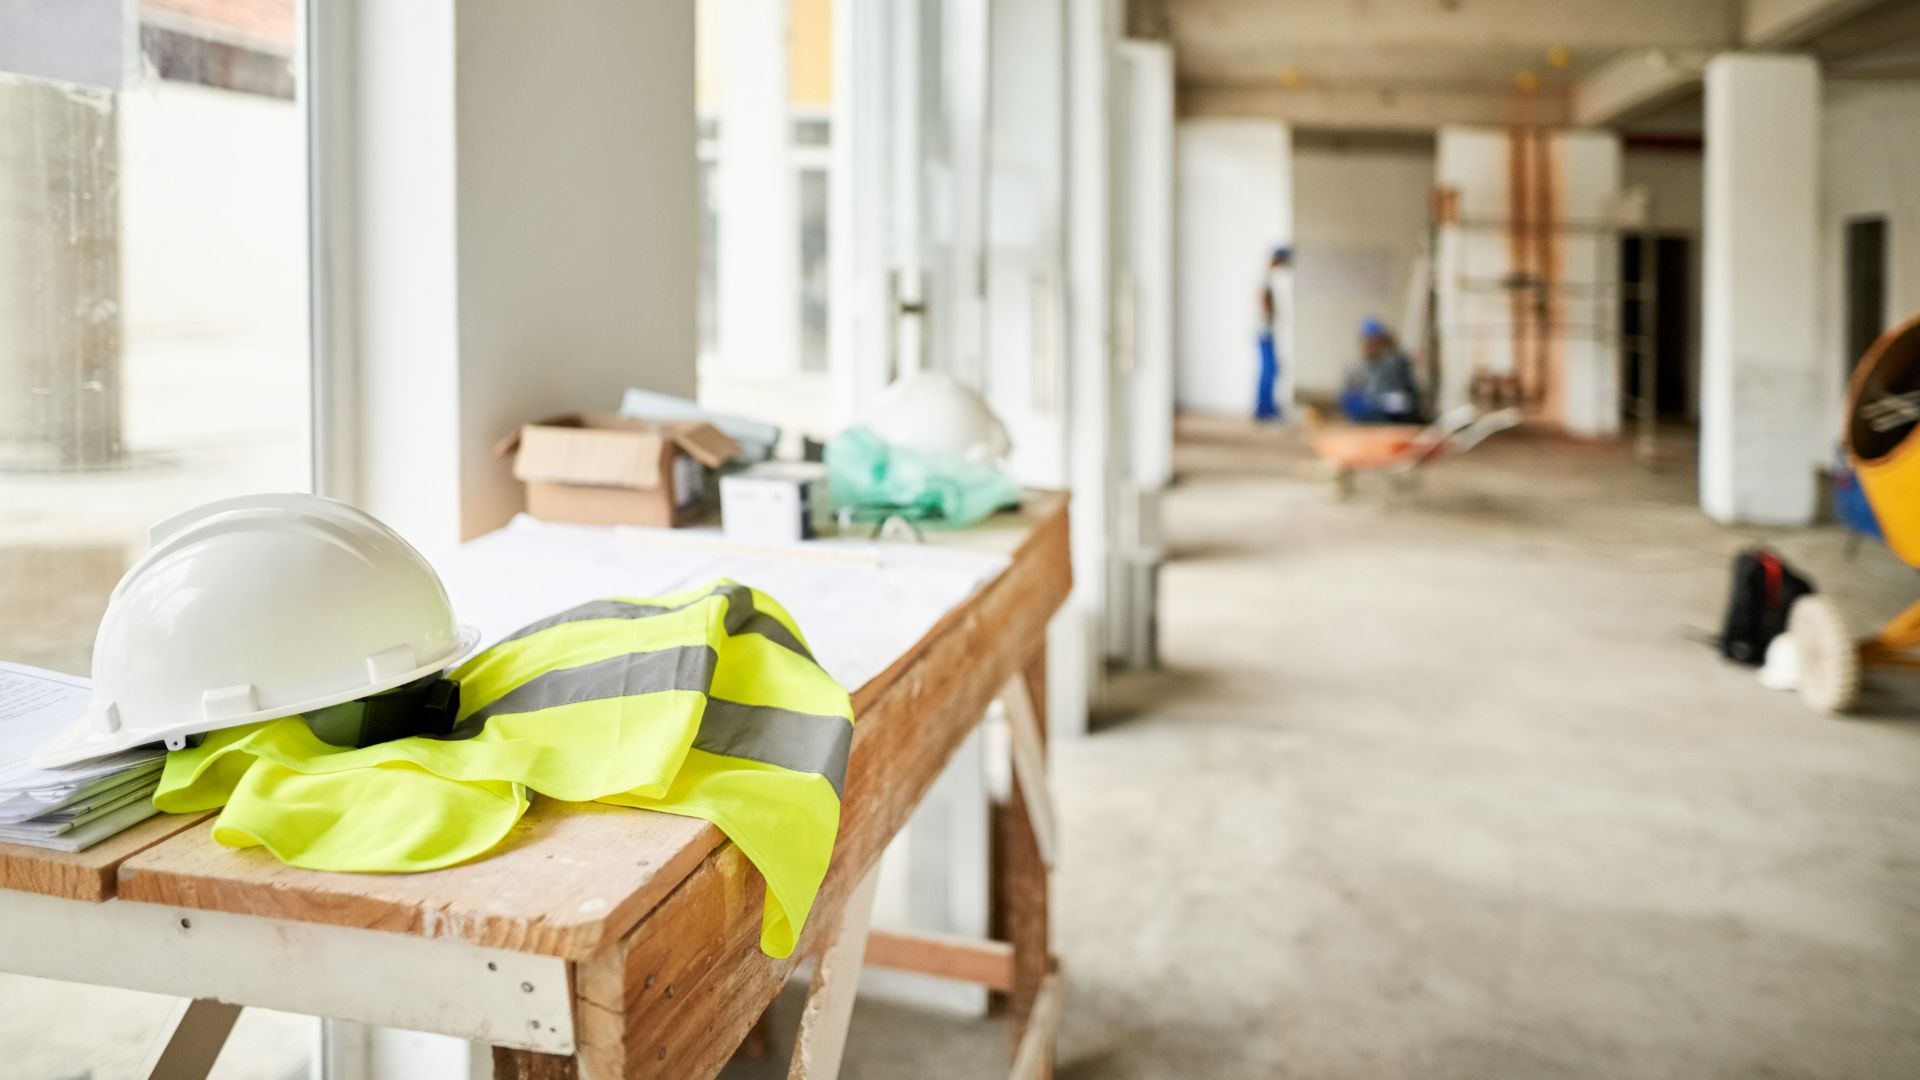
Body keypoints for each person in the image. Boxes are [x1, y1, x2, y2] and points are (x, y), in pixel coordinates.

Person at [1340, 316, 1419, 423]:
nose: (1368, 347)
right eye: (1366, 342)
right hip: (1366, 423)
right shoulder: (1355, 368)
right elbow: (1349, 401)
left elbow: (1407, 400)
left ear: (1382, 342)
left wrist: (1383, 403)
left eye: (1373, 342)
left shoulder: (1393, 363)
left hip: (1393, 422)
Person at [1254, 246, 1291, 421]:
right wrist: (1271, 315)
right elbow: (1264, 303)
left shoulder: (1268, 277)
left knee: (1271, 369)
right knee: (1269, 369)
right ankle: (1264, 409)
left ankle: (1267, 407)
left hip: (1267, 331)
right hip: (1264, 332)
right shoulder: (1265, 278)